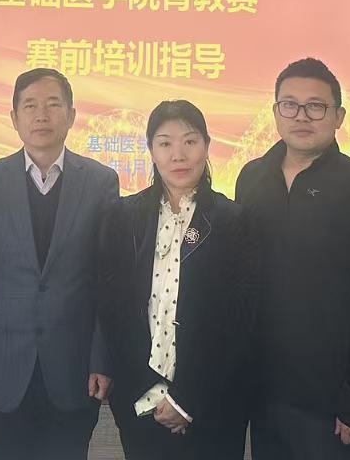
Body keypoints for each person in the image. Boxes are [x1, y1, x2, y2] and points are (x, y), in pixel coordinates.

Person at [236, 57, 350, 459]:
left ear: (338, 117)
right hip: (265, 395)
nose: (301, 116)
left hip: (336, 406)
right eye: (289, 105)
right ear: (275, 112)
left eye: (316, 106)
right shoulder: (252, 178)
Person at [0, 67, 120, 460]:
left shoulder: (100, 182)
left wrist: (102, 359)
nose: (41, 115)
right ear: (14, 118)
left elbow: (107, 283)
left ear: (72, 115)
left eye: (52, 105)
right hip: (1, 370)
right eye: (30, 106)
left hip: (74, 370)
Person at [98, 100, 259, 459]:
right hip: (141, 404)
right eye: (165, 143)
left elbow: (239, 323)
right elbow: (113, 311)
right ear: (151, 150)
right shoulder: (123, 217)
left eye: (190, 141)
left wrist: (186, 399)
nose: (178, 155)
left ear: (207, 146)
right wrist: (147, 392)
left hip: (213, 405)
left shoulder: (233, 221)